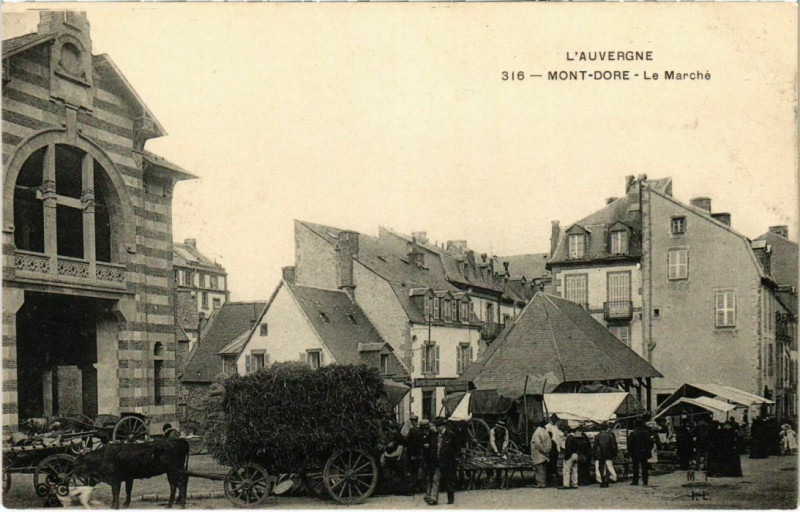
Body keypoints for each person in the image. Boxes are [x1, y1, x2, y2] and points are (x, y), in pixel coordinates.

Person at [424, 417, 461, 506]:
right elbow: (432, 447)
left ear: (443, 426)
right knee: (435, 479)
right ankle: (433, 499)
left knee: (449, 480)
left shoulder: (451, 435)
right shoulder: (434, 435)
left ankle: (450, 498)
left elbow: (456, 448)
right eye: (436, 426)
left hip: (448, 462)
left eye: (439, 426)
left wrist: (454, 459)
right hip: (437, 461)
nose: (437, 428)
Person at [627, 420, 654, 486]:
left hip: (635, 453)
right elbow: (651, 443)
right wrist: (647, 450)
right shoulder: (646, 433)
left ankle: (635, 482)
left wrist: (630, 452)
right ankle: (645, 481)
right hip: (644, 452)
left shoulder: (633, 433)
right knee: (645, 467)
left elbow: (629, 444)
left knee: (635, 468)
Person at [593, 422, 617, 488]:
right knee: (608, 468)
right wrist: (614, 453)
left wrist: (595, 454)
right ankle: (606, 481)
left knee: (601, 468)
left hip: (600, 454)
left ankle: (602, 481)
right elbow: (613, 446)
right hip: (608, 454)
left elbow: (594, 446)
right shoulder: (610, 436)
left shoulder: (597, 436)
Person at [530, 419, 551, 488]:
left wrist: (543, 451)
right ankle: (543, 483)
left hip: (538, 454)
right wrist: (547, 451)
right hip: (545, 455)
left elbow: (537, 444)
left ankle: (540, 484)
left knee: (539, 470)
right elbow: (549, 444)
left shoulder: (537, 432)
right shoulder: (546, 432)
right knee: (543, 470)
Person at [545, 414, 565, 487]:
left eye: (556, 419)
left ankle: (554, 479)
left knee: (554, 463)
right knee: (550, 464)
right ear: (551, 419)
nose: (555, 420)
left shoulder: (556, 427)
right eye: (554, 419)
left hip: (556, 447)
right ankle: (550, 480)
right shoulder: (548, 427)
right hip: (551, 446)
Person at [489, 420, 510, 488]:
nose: (500, 429)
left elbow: (506, 440)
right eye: (499, 428)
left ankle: (498, 479)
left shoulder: (505, 431)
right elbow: (492, 441)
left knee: (500, 464)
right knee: (490, 463)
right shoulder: (493, 431)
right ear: (497, 427)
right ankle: (491, 477)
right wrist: (496, 451)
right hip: (492, 448)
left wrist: (503, 449)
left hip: (500, 446)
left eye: (501, 428)